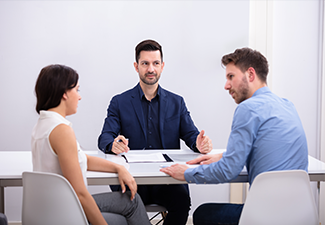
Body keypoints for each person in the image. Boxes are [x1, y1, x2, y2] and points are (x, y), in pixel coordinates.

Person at [160, 47, 308, 225]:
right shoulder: (287, 105)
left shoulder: (248, 109)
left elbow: (228, 171)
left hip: (265, 216)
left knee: (202, 213)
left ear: (250, 74)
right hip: (302, 214)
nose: (226, 85)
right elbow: (268, 148)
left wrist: (187, 173)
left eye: (231, 77)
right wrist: (224, 156)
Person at [98, 39, 213, 225]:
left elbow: (191, 134)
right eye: (145, 63)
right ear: (136, 66)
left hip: (166, 179)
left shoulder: (177, 102)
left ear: (162, 66)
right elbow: (104, 137)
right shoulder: (119, 102)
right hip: (131, 179)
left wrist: (198, 144)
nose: (151, 69)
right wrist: (113, 144)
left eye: (155, 63)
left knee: (182, 202)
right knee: (126, 206)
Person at [32, 64, 151, 225]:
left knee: (130, 203)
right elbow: (80, 194)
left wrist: (118, 168)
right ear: (64, 93)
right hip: (65, 213)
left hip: (49, 208)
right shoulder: (61, 131)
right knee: (131, 203)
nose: (79, 97)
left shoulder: (44, 124)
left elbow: (81, 159)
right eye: (77, 90)